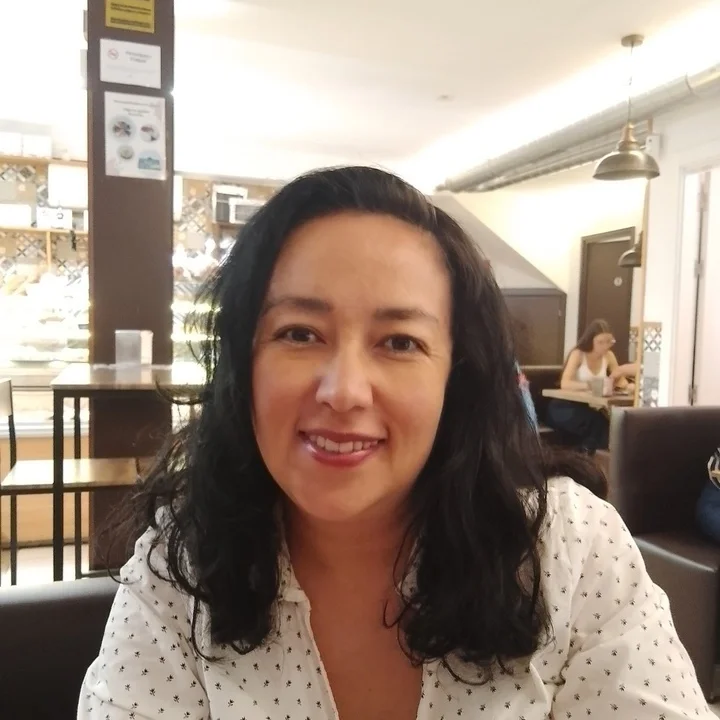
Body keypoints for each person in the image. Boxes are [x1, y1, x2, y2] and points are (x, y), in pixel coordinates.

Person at [80, 167, 711, 720]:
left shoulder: (568, 552)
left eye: (400, 342)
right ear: (243, 363)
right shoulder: (182, 566)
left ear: (454, 376)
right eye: (299, 333)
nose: (344, 391)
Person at [546, 319, 625, 452]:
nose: (605, 346)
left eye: (609, 341)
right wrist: (590, 385)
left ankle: (588, 454)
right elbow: (565, 383)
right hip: (565, 407)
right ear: (590, 340)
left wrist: (627, 386)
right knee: (597, 423)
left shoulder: (609, 356)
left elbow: (621, 379)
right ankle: (586, 453)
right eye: (600, 342)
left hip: (588, 407)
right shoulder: (578, 354)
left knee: (607, 423)